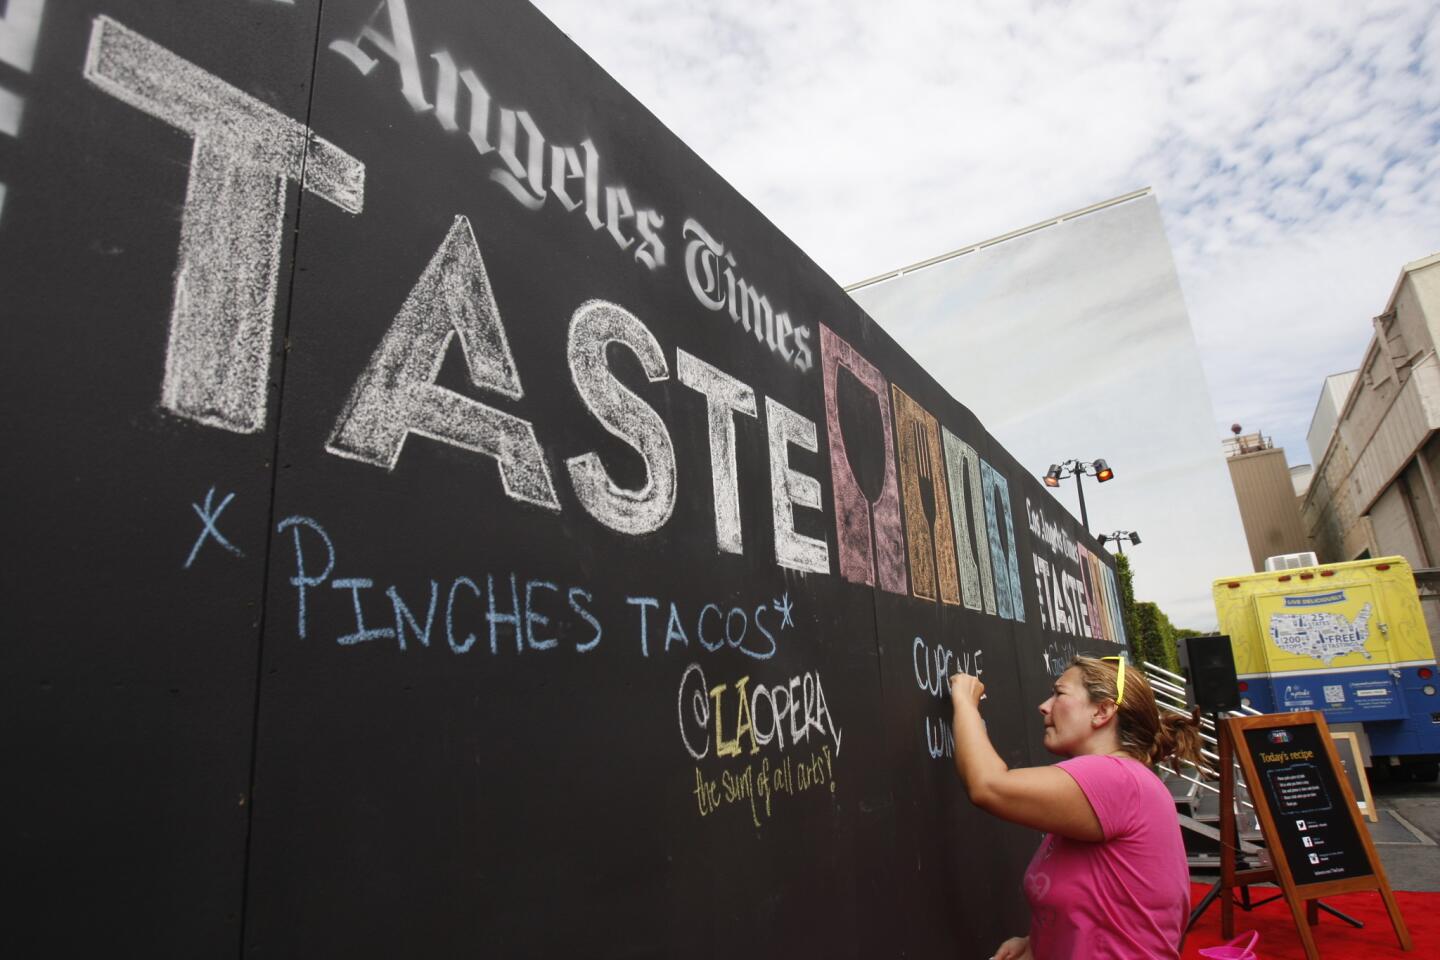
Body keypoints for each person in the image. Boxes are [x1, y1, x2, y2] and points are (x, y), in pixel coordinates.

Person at [948, 656, 1202, 960]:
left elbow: (987, 786)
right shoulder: (1122, 782)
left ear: (1103, 710)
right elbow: (1108, 907)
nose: (1044, 706)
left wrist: (965, 702)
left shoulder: (1116, 778)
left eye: (1059, 693)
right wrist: (1037, 944)